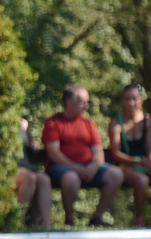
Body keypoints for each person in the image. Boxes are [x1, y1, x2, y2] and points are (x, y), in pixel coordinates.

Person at [42, 84, 124, 227]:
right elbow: (54, 154)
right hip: (61, 169)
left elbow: (98, 152)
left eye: (87, 102)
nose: (86, 106)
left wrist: (93, 167)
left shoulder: (89, 124)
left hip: (89, 168)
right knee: (71, 178)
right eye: (82, 102)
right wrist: (77, 168)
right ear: (68, 102)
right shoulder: (54, 123)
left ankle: (96, 219)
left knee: (116, 174)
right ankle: (70, 219)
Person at [108, 84, 151, 227]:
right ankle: (139, 218)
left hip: (144, 164)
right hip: (125, 165)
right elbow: (116, 154)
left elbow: (149, 148)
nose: (131, 103)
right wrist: (138, 162)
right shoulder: (116, 123)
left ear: (141, 100)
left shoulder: (147, 121)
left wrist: (148, 159)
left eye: (134, 99)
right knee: (142, 180)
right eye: (127, 99)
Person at [16, 118, 51, 228]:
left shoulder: (23, 123)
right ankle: (18, 221)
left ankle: (46, 226)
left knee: (44, 179)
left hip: (25, 164)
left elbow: (28, 147)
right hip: (13, 166)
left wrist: (32, 143)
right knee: (29, 178)